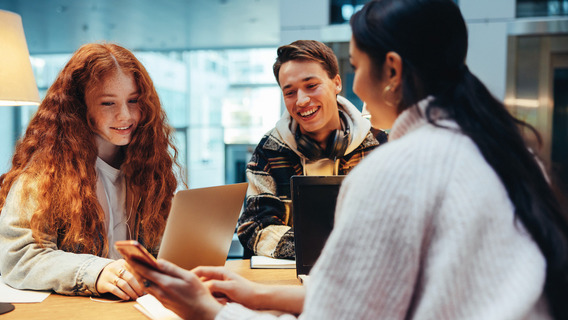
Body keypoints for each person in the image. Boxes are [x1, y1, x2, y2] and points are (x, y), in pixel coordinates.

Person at [125, 0, 568, 319]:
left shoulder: (392, 166)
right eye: (289, 91)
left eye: (355, 67)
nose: (357, 85)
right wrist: (260, 295)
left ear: (391, 71)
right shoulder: (509, 149)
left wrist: (207, 311)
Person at [0, 43, 183, 301]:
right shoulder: (45, 173)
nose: (125, 115)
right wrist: (96, 272)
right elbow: (19, 256)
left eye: (134, 101)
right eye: (109, 103)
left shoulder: (148, 163)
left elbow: (158, 249)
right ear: (78, 106)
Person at [237, 40, 381, 259]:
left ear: (337, 83)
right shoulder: (270, 149)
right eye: (290, 92)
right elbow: (254, 227)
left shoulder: (379, 145)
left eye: (311, 86)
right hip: (286, 284)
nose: (302, 101)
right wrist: (328, 248)